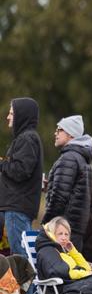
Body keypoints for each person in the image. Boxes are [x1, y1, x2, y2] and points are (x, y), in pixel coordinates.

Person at [41, 115, 92, 251]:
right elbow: (73, 192)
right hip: (74, 229)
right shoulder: (81, 158)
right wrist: (51, 185)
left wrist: (46, 223)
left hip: (62, 229)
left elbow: (59, 197)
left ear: (70, 134)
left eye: (59, 130)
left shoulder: (68, 158)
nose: (55, 133)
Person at [0, 98, 43, 257]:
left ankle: (27, 276)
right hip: (16, 206)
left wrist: (2, 164)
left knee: (21, 258)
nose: (8, 117)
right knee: (19, 256)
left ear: (22, 115)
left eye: (12, 113)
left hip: (17, 207)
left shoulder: (27, 138)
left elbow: (20, 171)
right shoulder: (26, 138)